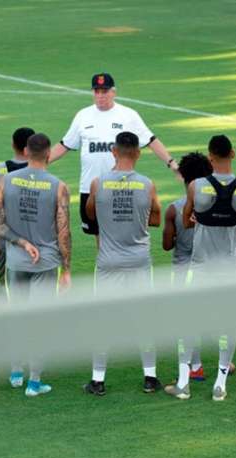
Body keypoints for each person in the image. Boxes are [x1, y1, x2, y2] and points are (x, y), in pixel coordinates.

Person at [164, 134, 236, 401]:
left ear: (210, 157)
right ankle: (220, 384)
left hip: (202, 266)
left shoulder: (197, 187)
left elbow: (187, 222)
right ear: (233, 154)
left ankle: (183, 384)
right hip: (232, 266)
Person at [0, 133, 72, 397]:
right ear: (48, 155)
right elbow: (63, 231)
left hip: (16, 259)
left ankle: (15, 372)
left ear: (25, 152)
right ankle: (34, 382)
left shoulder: (7, 180)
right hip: (45, 262)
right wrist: (67, 268)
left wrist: (21, 242)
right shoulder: (58, 186)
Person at [83, 132, 161, 396]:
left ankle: (98, 380)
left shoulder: (98, 183)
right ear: (138, 153)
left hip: (108, 261)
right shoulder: (148, 185)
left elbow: (91, 214)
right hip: (139, 260)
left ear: (113, 151)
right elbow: (156, 219)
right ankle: (150, 377)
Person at [48, 73, 176, 236]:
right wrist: (38, 164)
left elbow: (151, 140)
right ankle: (103, 262)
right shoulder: (83, 115)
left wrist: (171, 163)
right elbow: (65, 144)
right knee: (98, 234)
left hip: (120, 187)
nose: (100, 95)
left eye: (104, 91)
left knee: (123, 232)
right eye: (97, 91)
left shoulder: (128, 115)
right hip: (90, 187)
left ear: (113, 92)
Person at [162, 151, 212, 381]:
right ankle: (225, 361)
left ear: (182, 176)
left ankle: (195, 365)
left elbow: (165, 245)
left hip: (184, 270)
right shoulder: (215, 204)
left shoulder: (174, 208)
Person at [0, 127, 35, 291]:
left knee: (6, 287)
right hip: (36, 238)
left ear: (12, 144)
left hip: (6, 238)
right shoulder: (39, 173)